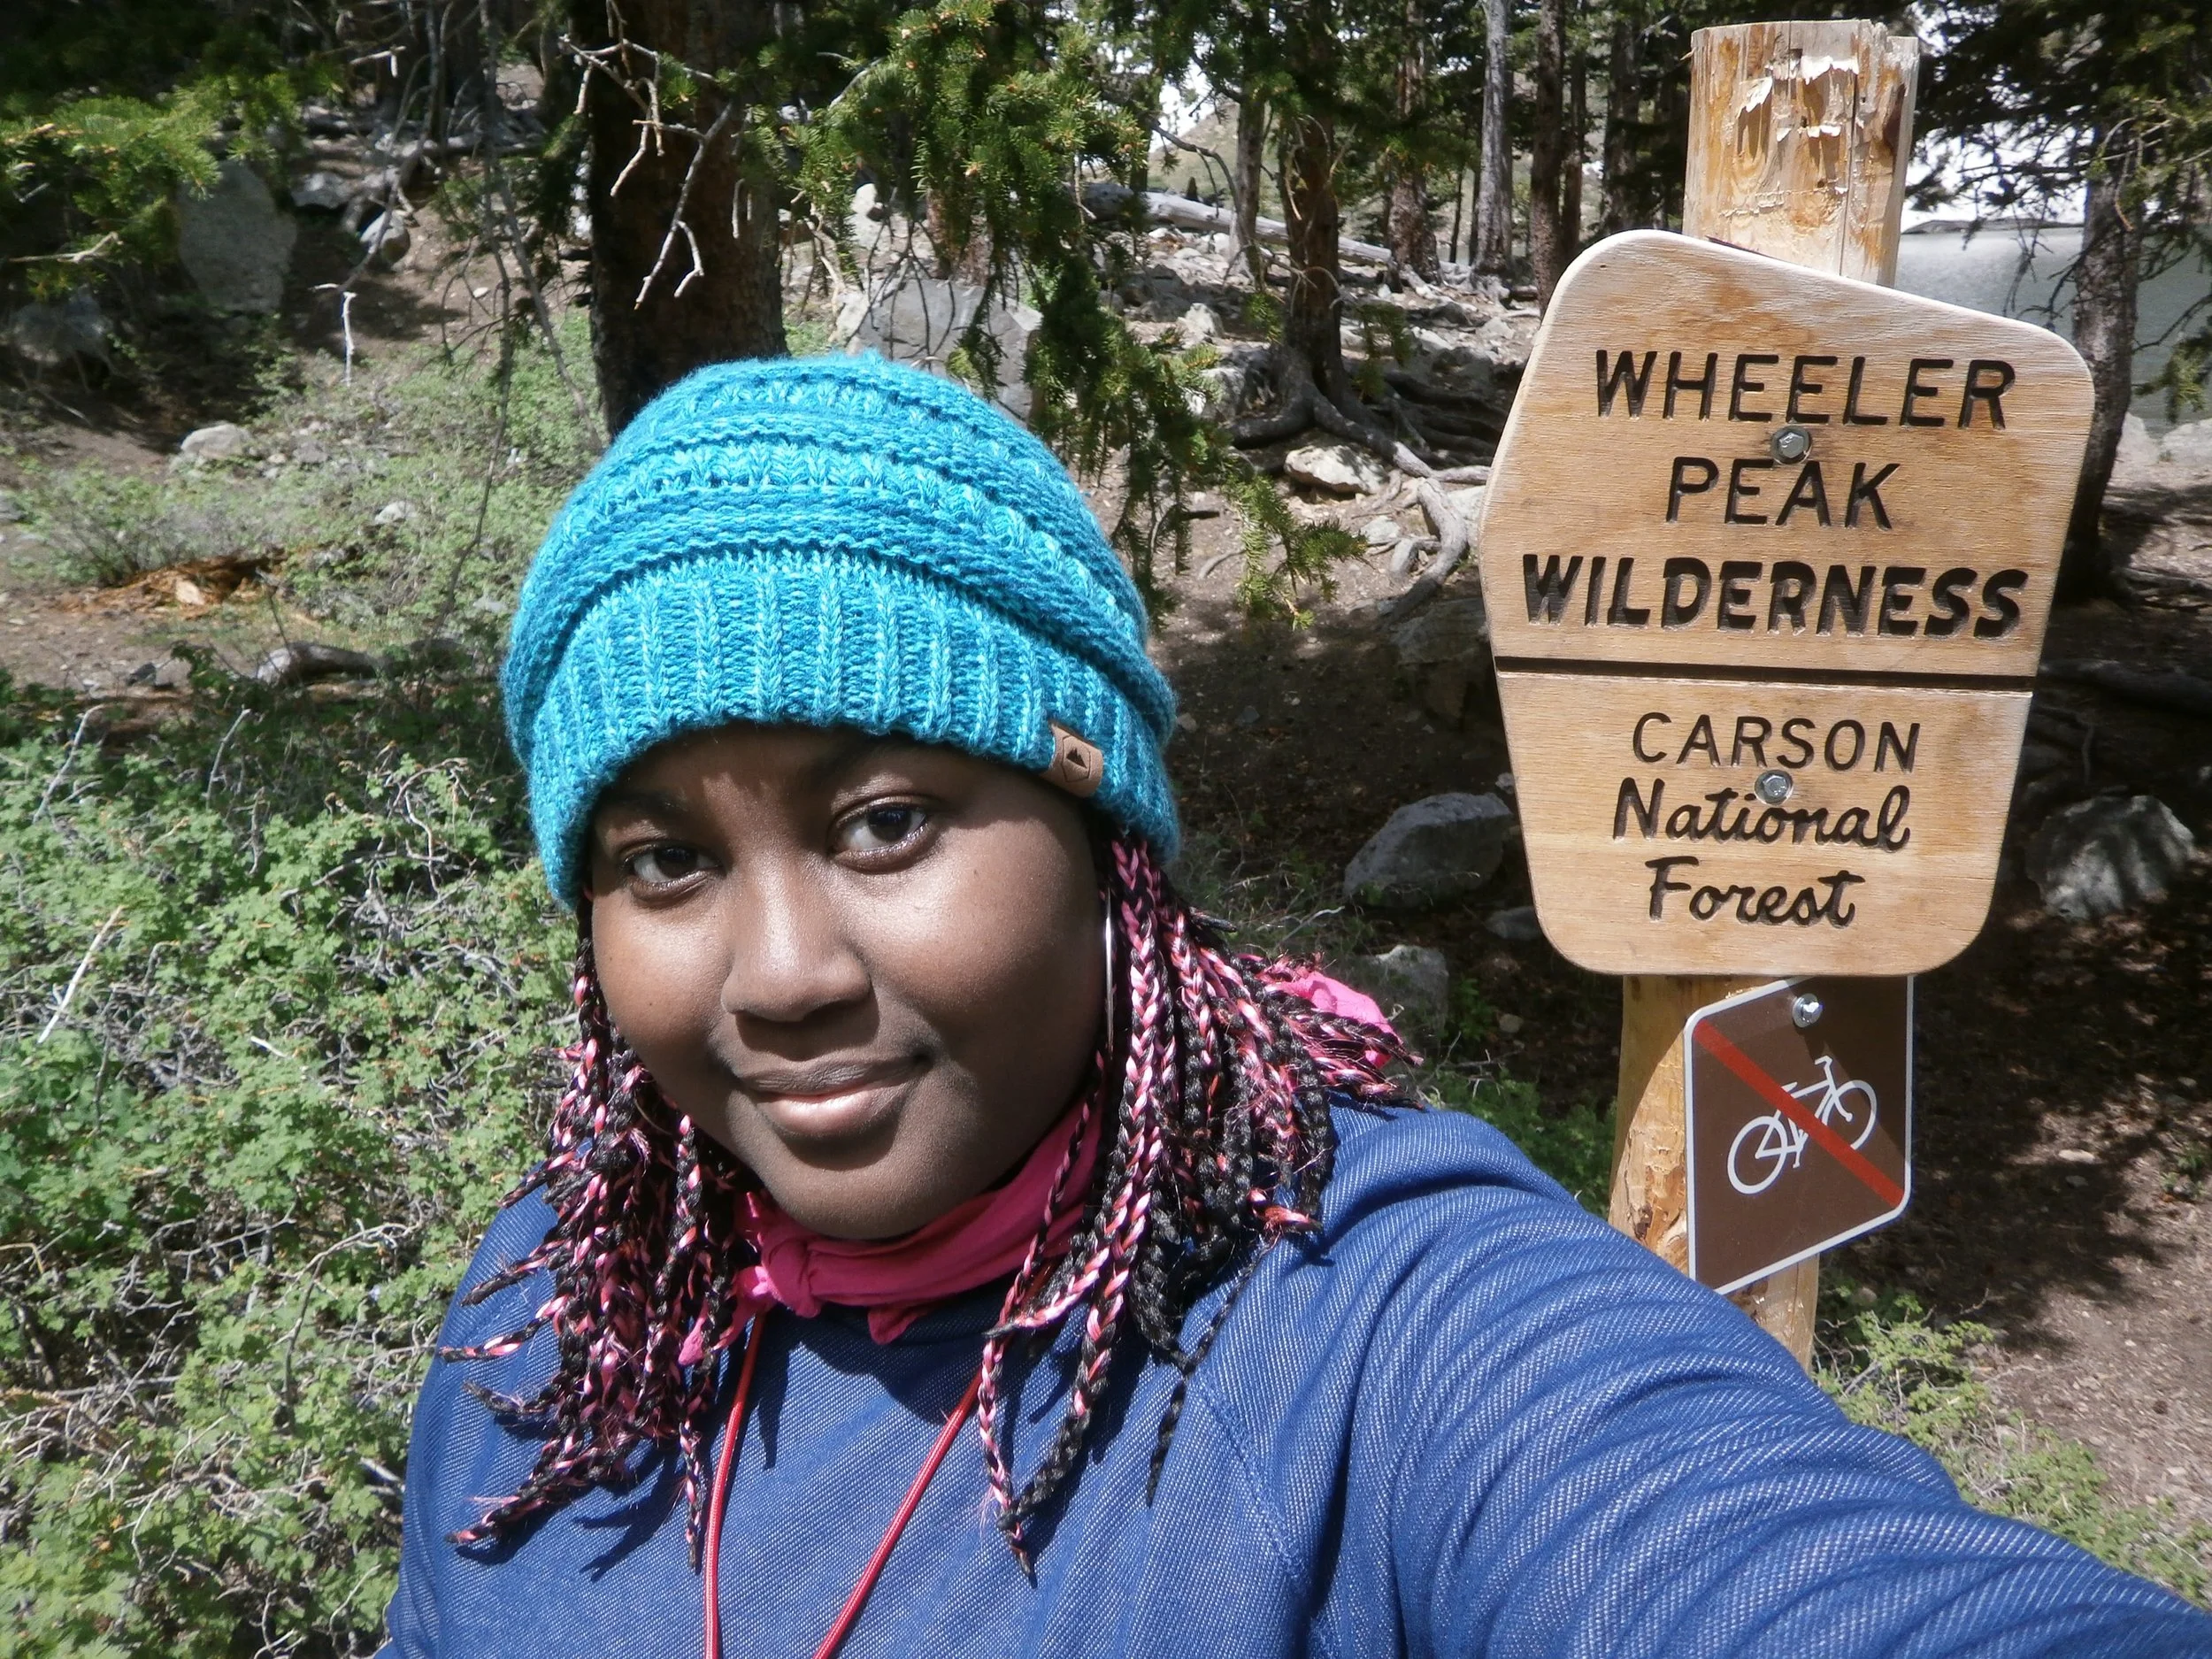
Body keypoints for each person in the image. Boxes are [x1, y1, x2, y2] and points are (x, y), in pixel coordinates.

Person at [380, 355, 2211, 1659]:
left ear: (1106, 839)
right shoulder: (551, 1315)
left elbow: (1751, 1557)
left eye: (885, 822)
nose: (779, 976)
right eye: (662, 863)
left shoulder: (1360, 1314)